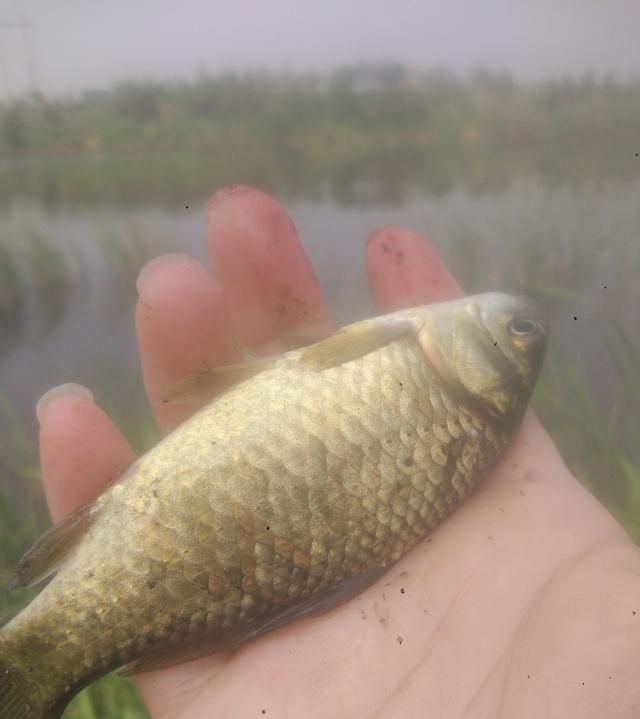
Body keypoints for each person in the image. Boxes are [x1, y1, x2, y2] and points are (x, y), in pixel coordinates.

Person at [36, 185, 640, 718]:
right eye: (520, 334)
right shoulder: (466, 421)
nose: (520, 325)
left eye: (519, 335)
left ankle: (39, 660)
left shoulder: (442, 383)